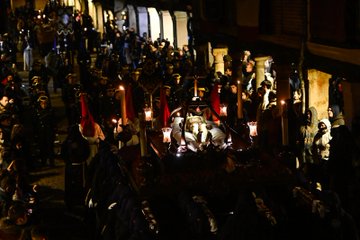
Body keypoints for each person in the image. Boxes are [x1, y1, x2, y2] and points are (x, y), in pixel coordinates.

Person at [327, 104, 356, 211]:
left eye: (330, 110)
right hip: (341, 167)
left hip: (341, 168)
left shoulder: (340, 127)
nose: (329, 112)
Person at [311, 118, 332, 190]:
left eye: (323, 125)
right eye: (320, 125)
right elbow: (314, 146)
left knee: (326, 179)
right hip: (318, 160)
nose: (321, 126)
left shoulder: (329, 134)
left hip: (326, 160)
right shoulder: (317, 134)